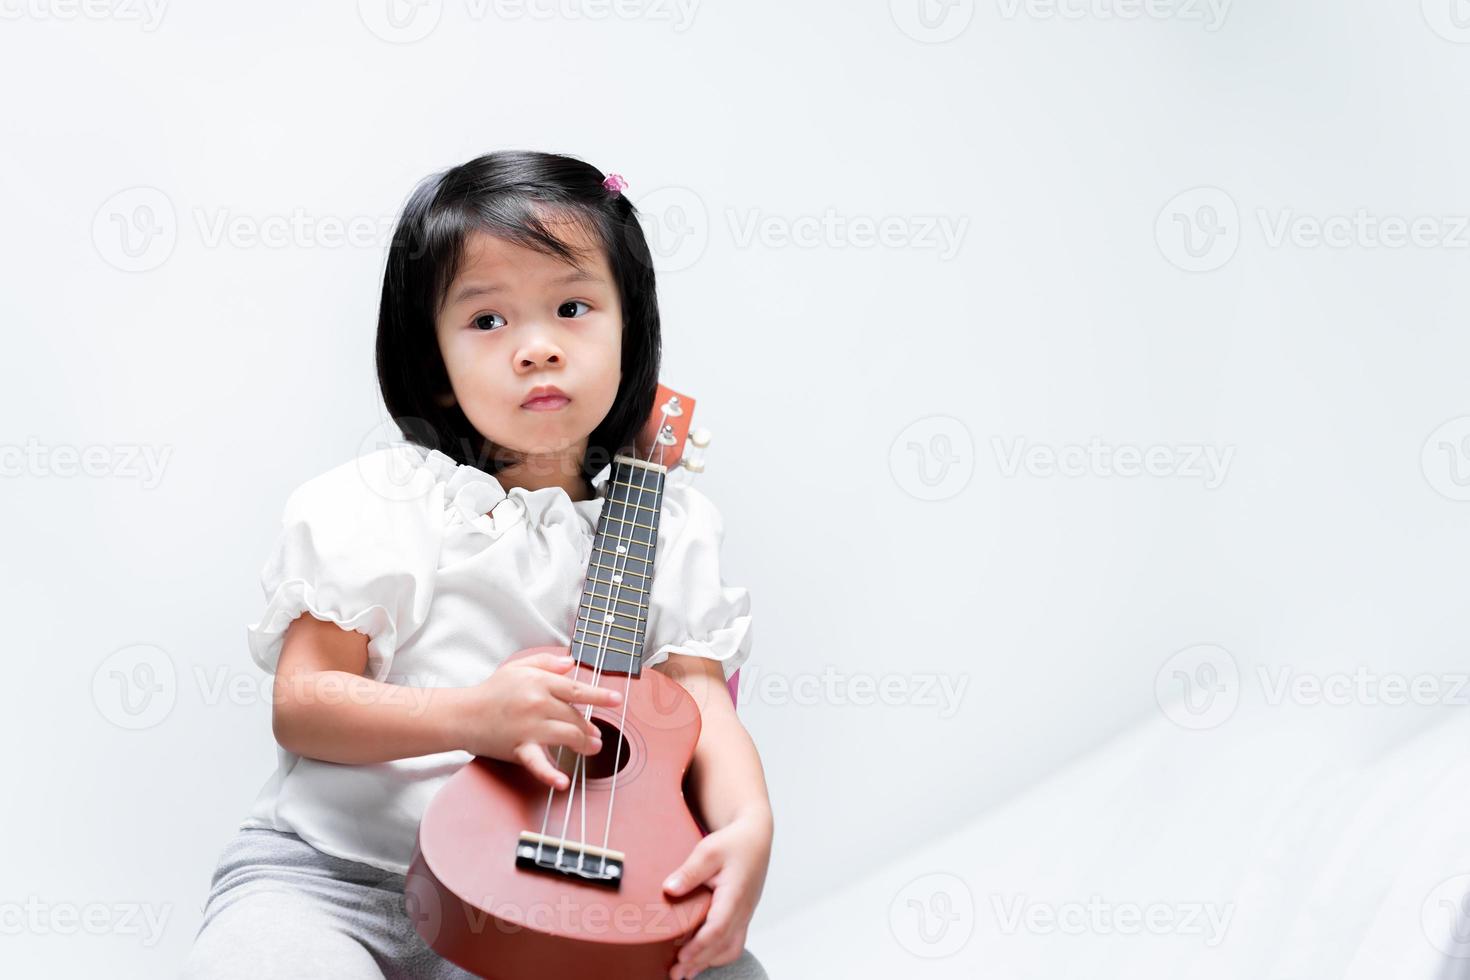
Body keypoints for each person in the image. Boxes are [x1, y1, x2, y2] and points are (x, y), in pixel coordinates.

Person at [180, 151, 773, 980]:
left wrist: (748, 823)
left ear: (628, 329)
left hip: (548, 894)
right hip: (331, 881)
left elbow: (702, 697)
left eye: (572, 307)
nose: (537, 348)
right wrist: (472, 716)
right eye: (488, 321)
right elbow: (304, 704)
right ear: (438, 366)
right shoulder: (380, 503)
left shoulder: (666, 528)